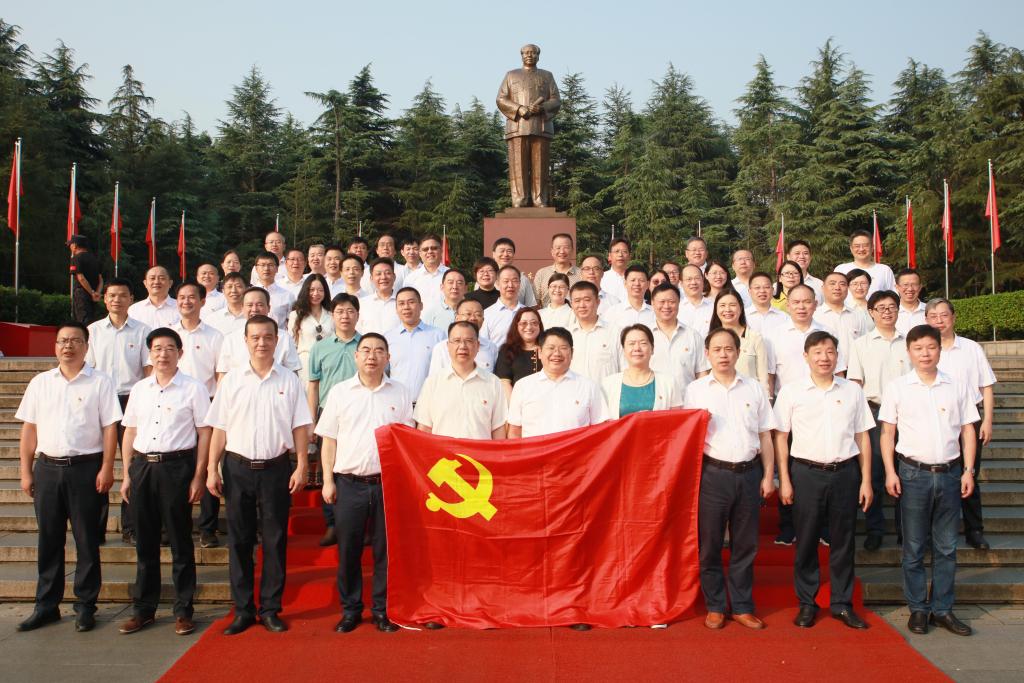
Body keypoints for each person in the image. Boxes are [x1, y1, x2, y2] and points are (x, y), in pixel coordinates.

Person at [205, 314, 312, 636]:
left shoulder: (289, 381)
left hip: (275, 468)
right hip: (237, 467)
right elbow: (219, 428)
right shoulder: (232, 381)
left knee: (275, 540)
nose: (262, 343)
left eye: (268, 337)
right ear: (246, 341)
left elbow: (300, 426)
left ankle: (270, 609)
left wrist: (302, 464)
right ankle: (243, 610)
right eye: (255, 337)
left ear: (277, 341)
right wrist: (211, 468)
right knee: (239, 540)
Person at [15, 321, 121, 633]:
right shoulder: (40, 383)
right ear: (55, 346)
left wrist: (107, 467)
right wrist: (25, 471)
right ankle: (46, 605)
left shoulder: (100, 382)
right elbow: (29, 429)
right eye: (62, 341)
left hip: (86, 469)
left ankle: (86, 606)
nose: (68, 346)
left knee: (87, 539)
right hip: (47, 469)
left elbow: (110, 428)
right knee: (49, 539)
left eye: (75, 340)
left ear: (86, 347)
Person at [880, 324, 978, 637]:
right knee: (913, 546)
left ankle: (943, 609)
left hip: (950, 473)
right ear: (909, 352)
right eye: (918, 348)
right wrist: (890, 471)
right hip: (912, 474)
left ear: (939, 349)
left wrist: (968, 470)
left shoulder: (956, 385)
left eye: (931, 347)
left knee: (947, 547)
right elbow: (887, 433)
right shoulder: (898, 387)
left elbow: (968, 430)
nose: (925, 353)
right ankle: (918, 609)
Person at [774, 331, 874, 630]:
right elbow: (780, 437)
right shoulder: (792, 392)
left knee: (843, 541)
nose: (824, 358)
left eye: (830, 351)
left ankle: (842, 604)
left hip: (845, 473)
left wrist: (866, 480)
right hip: (806, 473)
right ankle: (807, 602)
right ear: (806, 356)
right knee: (806, 540)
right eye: (817, 352)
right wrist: (784, 479)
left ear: (837, 356)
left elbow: (862, 437)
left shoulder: (852, 391)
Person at [117, 327, 211, 636]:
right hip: (143, 467)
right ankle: (144, 609)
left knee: (180, 542)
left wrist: (199, 474)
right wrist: (127, 473)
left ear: (180, 353)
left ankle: (183, 610)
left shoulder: (193, 388)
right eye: (157, 348)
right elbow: (130, 432)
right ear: (150, 353)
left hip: (177, 468)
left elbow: (204, 432)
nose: (163, 354)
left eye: (170, 348)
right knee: (145, 543)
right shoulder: (140, 389)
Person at [318, 333, 412, 634]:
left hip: (387, 483)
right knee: (349, 550)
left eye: (379, 351)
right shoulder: (340, 392)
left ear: (388, 358)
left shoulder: (400, 392)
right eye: (366, 350)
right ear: (356, 356)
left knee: (385, 551)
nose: (372, 356)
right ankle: (351, 610)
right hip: (349, 483)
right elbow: (329, 440)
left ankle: (382, 610)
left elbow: (407, 440)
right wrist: (328, 480)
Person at [683, 327, 776, 631]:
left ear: (738, 352)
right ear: (707, 354)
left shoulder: (754, 388)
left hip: (749, 473)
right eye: (717, 349)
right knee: (709, 544)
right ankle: (715, 606)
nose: (723, 355)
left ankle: (742, 606)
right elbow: (689, 437)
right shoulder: (696, 390)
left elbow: (765, 435)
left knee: (745, 544)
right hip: (712, 475)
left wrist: (769, 475)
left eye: (729, 349)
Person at [764, 284, 844, 546]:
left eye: (807, 302)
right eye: (796, 302)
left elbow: (839, 371)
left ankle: (823, 527)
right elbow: (770, 375)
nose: (801, 307)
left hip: (823, 406)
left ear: (815, 304)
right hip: (787, 406)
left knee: (821, 468)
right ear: (788, 305)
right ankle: (789, 525)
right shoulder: (775, 335)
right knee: (788, 467)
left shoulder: (827, 333)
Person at [926, 298, 997, 551]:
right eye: (933, 316)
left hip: (969, 419)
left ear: (953, 317)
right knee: (935, 477)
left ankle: (974, 529)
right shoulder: (923, 349)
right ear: (926, 320)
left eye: (944, 315)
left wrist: (987, 420)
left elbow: (986, 386)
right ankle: (934, 531)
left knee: (970, 472)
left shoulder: (971, 348)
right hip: (935, 420)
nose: (939, 321)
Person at [86, 278, 151, 545]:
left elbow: (148, 370)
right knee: (95, 462)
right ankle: (95, 528)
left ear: (131, 299)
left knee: (132, 464)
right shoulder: (92, 331)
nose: (117, 300)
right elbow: (87, 369)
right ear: (105, 299)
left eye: (122, 295)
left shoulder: (143, 331)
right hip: (100, 400)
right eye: (112, 295)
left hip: (129, 400)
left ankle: (130, 527)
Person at [846, 290, 909, 550]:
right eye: (881, 308)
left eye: (892, 307)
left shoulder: (909, 342)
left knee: (905, 472)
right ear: (871, 312)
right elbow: (855, 383)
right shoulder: (861, 344)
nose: (887, 312)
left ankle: (906, 531)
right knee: (873, 472)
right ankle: (875, 529)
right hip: (873, 412)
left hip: (906, 415)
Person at [170, 280, 224, 549]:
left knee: (208, 465)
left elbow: (220, 375)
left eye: (192, 297)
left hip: (208, 404)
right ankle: (175, 526)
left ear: (203, 301)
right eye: (182, 297)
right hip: (174, 406)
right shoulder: (168, 333)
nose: (186, 302)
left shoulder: (215, 336)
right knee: (177, 467)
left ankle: (208, 527)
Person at [307, 293, 362, 547]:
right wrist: (312, 420)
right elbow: (313, 385)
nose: (345, 316)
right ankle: (332, 524)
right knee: (327, 469)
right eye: (339, 311)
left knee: (358, 470)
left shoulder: (367, 345)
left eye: (350, 311)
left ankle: (361, 525)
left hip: (361, 414)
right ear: (332, 315)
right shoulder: (320, 347)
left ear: (357, 315)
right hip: (328, 414)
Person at [508, 327, 608, 439]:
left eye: (563, 348)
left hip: (577, 450)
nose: (557, 353)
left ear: (572, 353)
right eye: (551, 348)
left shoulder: (589, 387)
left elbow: (600, 429)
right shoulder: (523, 386)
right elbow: (514, 432)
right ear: (539, 352)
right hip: (535, 450)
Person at [416, 321, 508, 439]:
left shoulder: (493, 383)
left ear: (478, 346)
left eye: (469, 341)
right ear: (448, 346)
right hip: (443, 451)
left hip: (479, 451)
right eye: (457, 341)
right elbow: (424, 429)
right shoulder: (432, 383)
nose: (463, 346)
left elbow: (498, 430)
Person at [496, 43, 561, 208]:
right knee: (518, 165)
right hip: (517, 126)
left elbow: (556, 100)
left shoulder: (547, 76)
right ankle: (520, 199)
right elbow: (501, 99)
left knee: (541, 166)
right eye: (526, 53)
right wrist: (519, 108)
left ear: (538, 56)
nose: (529, 55)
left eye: (533, 53)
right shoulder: (511, 75)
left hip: (541, 126)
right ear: (522, 56)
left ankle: (540, 199)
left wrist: (542, 107)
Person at [216, 288, 301, 378]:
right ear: (242, 308)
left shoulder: (284, 337)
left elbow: (293, 374)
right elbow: (223, 375)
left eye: (260, 305)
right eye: (250, 305)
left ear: (269, 308)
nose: (254, 309)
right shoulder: (231, 339)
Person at [601, 324, 681, 417]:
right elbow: (604, 422)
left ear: (652, 349)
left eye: (643, 343)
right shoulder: (608, 384)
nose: (637, 348)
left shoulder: (669, 382)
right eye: (631, 344)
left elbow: (677, 421)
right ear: (623, 350)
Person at [383, 287, 446, 402]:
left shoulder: (438, 335)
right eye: (401, 303)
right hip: (396, 403)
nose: (406, 307)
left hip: (428, 403)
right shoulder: (388, 338)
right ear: (396, 309)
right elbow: (383, 372)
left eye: (411, 302)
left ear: (421, 306)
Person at [648, 283, 709, 396]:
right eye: (662, 302)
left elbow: (702, 374)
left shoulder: (693, 335)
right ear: (652, 303)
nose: (666, 306)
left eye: (671, 302)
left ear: (679, 303)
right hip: (653, 401)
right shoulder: (644, 336)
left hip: (686, 401)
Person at [709, 289, 771, 396]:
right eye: (722, 305)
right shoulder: (710, 339)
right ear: (716, 309)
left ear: (741, 308)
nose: (727, 309)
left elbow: (763, 378)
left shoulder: (755, 338)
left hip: (750, 397)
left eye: (732, 305)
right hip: (718, 397)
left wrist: (766, 399)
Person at [567, 281, 621, 384]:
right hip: (574, 392)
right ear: (571, 304)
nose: (582, 305)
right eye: (577, 301)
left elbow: (625, 369)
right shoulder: (566, 335)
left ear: (597, 302)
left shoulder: (616, 332)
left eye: (587, 300)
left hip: (606, 393)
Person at [429, 298, 499, 375]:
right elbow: (434, 379)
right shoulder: (441, 348)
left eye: (478, 315)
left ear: (483, 320)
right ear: (457, 318)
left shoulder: (491, 347)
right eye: (468, 314)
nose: (473, 318)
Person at [814, 271, 871, 360]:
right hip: (824, 366)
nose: (837, 288)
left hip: (854, 367)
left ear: (847, 288)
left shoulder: (857, 314)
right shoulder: (814, 315)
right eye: (832, 283)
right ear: (823, 288)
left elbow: (865, 344)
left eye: (842, 284)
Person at [288, 274, 332, 383]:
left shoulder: (332, 314)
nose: (316, 294)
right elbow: (292, 344)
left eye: (320, 290)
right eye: (312, 290)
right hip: (305, 364)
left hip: (329, 362)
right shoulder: (295, 315)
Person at [495, 307, 544, 401]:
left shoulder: (547, 348)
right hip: (518, 403)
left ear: (539, 325)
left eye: (534, 323)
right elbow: (504, 382)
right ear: (516, 326)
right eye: (523, 323)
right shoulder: (507, 350)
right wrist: (515, 406)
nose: (529, 327)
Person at [836, 230, 896, 297]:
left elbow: (893, 296)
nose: (861, 249)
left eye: (865, 245)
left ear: (872, 247)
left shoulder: (884, 270)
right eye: (857, 246)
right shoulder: (841, 269)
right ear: (851, 248)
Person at [532, 233, 582, 306]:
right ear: (552, 251)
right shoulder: (542, 274)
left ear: (572, 250)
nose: (562, 251)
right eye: (558, 248)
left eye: (566, 247)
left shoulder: (581, 274)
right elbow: (534, 303)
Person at [251, 251, 296, 328]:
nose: (266, 268)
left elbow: (292, 324)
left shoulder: (288, 296)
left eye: (270, 265)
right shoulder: (248, 295)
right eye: (262, 265)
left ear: (277, 268)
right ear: (256, 269)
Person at [482, 264, 526, 345]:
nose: (510, 285)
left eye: (514, 281)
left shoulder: (527, 313)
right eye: (506, 281)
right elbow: (483, 345)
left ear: (519, 283)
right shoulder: (487, 314)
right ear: (497, 284)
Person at [404, 234, 449, 308]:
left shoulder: (452, 275)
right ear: (420, 253)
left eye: (434, 248)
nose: (430, 251)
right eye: (425, 249)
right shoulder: (410, 279)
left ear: (441, 250)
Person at [605, 265, 655, 330]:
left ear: (648, 284)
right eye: (633, 280)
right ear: (625, 283)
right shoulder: (613, 312)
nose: (637, 284)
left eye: (641, 280)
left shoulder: (655, 312)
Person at [358, 258, 400, 334]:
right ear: (371, 278)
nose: (383, 277)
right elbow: (358, 331)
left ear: (394, 277)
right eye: (378, 274)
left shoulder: (403, 303)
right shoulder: (362, 303)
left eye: (387, 273)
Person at [491, 237, 538, 307]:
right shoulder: (485, 279)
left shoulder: (523, 279)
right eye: (502, 251)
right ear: (493, 254)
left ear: (513, 255)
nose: (505, 254)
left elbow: (531, 306)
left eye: (509, 251)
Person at [68, 235, 102, 324]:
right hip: (94, 296)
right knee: (93, 321)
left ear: (75, 245)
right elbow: (101, 279)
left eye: (71, 244)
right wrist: (97, 293)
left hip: (82, 294)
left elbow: (81, 278)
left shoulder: (76, 258)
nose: (70, 247)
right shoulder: (95, 259)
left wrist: (91, 292)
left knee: (82, 321)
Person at [204, 272, 248, 337]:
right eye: (229, 287)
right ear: (223, 291)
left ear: (246, 289)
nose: (233, 290)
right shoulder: (212, 319)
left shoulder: (254, 317)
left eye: (238, 286)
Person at [745, 271, 788, 337]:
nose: (762, 291)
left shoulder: (784, 317)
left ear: (773, 290)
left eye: (766, 287)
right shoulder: (742, 316)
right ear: (749, 291)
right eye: (757, 287)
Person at [679, 264, 713, 335]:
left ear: (703, 280)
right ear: (681, 283)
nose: (693, 282)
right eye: (689, 279)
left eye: (697, 278)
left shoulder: (714, 305)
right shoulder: (676, 307)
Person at [786, 240, 824, 304]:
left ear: (810, 257)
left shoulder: (820, 285)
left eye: (805, 253)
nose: (801, 257)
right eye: (797, 253)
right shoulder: (777, 286)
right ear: (788, 257)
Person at [895, 268, 927, 336]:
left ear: (920, 287)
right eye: (905, 285)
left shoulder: (929, 310)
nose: (910, 289)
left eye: (914, 284)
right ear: (897, 287)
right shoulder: (890, 312)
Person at [600, 238, 630, 302]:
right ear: (609, 256)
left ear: (629, 256)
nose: (620, 255)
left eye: (624, 251)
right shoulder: (601, 278)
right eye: (617, 251)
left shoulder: (635, 279)